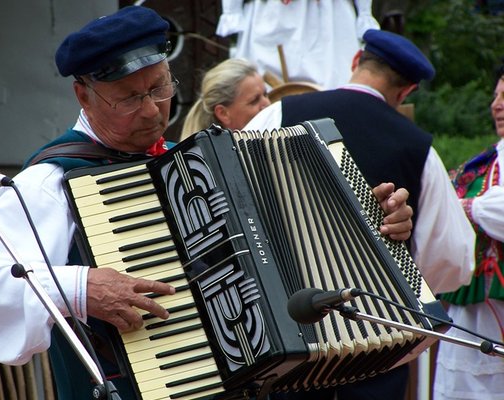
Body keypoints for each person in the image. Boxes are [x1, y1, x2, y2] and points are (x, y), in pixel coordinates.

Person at [0, 7, 416, 400]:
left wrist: (365, 223)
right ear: (83, 93)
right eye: (129, 97)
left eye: (160, 88)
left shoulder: (193, 163)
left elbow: (277, 255)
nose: (151, 110)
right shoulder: (51, 180)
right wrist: (80, 287)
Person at [245, 29, 476, 399]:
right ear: (406, 92)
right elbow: (454, 260)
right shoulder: (417, 148)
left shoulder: (279, 112)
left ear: (356, 61)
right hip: (375, 347)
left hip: (287, 333)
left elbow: (238, 200)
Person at [433, 63, 504, 399]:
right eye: (495, 96)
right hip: (473, 301)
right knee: (461, 378)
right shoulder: (485, 160)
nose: (497, 105)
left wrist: (468, 207)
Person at [215, 0, 379, 89]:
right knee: (261, 91)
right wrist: (232, 10)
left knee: (333, 84)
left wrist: (364, 12)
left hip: (328, 19)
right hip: (271, 17)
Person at [180, 58, 270, 140]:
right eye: (254, 101)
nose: (267, 104)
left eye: (266, 94)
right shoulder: (211, 156)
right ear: (223, 113)